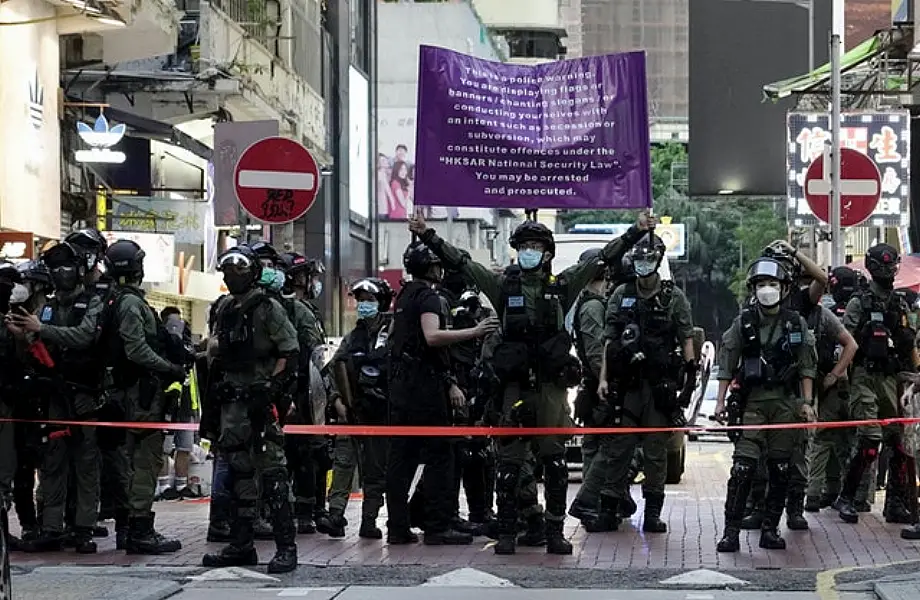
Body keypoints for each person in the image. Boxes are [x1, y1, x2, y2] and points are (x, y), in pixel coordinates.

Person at [409, 212, 649, 555]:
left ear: (547, 252)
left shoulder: (563, 286)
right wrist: (427, 235)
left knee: (554, 464)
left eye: (536, 246)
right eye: (524, 246)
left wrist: (635, 233)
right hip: (514, 390)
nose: (529, 252)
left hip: (550, 390)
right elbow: (462, 263)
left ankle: (554, 531)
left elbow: (601, 258)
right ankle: (508, 531)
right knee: (508, 465)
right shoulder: (502, 287)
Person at [576, 234, 696, 534]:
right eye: (639, 258)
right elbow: (608, 340)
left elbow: (687, 338)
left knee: (656, 453)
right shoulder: (620, 294)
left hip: (659, 386)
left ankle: (653, 513)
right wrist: (603, 378)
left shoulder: (673, 297)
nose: (644, 264)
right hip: (626, 384)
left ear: (658, 261)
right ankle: (608, 508)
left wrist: (688, 381)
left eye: (650, 259)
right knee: (619, 448)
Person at [385, 242, 498, 545]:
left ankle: (398, 527)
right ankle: (437, 526)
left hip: (401, 386)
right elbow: (432, 337)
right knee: (441, 455)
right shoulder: (429, 298)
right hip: (424, 387)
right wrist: (475, 332)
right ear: (432, 267)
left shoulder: (405, 296)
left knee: (402, 458)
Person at [203, 245, 299, 573]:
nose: (232, 276)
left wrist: (270, 390)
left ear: (253, 271)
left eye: (239, 269)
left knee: (272, 473)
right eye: (227, 270)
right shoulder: (226, 308)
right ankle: (241, 545)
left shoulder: (268, 307)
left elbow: (290, 351)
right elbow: (215, 350)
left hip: (258, 403)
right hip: (231, 404)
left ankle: (287, 547)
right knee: (239, 474)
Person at [5, 243, 105, 553]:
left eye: (67, 267)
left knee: (86, 463)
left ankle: (84, 528)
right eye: (57, 269)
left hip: (84, 394)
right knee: (52, 462)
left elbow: (85, 336)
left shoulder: (93, 302)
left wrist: (42, 330)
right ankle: (51, 527)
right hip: (53, 396)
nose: (63, 273)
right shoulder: (45, 307)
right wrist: (24, 336)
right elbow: (32, 342)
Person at [715, 257, 817, 553]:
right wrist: (720, 402)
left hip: (785, 406)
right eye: (761, 285)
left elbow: (806, 366)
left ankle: (770, 529)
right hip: (753, 406)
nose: (767, 290)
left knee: (781, 469)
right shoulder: (743, 322)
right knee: (742, 469)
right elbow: (727, 362)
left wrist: (807, 403)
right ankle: (730, 532)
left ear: (784, 289)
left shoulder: (794, 322)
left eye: (772, 284)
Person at [100, 239, 185, 554]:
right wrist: (170, 368)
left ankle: (129, 527)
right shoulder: (132, 304)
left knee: (127, 462)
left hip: (123, 392)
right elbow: (137, 349)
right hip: (141, 395)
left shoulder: (110, 301)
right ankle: (139, 530)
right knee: (146, 461)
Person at [836, 244, 918, 525]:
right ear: (871, 268)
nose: (887, 271)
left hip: (890, 379)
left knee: (897, 444)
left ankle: (895, 503)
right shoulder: (860, 302)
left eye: (890, 266)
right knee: (870, 440)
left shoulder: (899, 303)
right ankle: (846, 498)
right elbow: (846, 340)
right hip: (864, 377)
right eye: (881, 266)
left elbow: (909, 344)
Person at [321, 277, 394, 539]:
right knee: (343, 463)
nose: (364, 306)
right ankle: (335, 515)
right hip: (352, 412)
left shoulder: (393, 334)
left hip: (381, 413)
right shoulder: (353, 337)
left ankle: (369, 520)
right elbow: (334, 369)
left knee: (375, 470)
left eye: (369, 300)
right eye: (360, 301)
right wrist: (337, 401)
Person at [804, 267, 859, 513]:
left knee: (824, 440)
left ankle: (816, 494)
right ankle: (853, 495)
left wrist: (832, 376)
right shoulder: (860, 307)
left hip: (831, 385)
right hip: (852, 385)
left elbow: (851, 345)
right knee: (850, 442)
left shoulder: (823, 313)